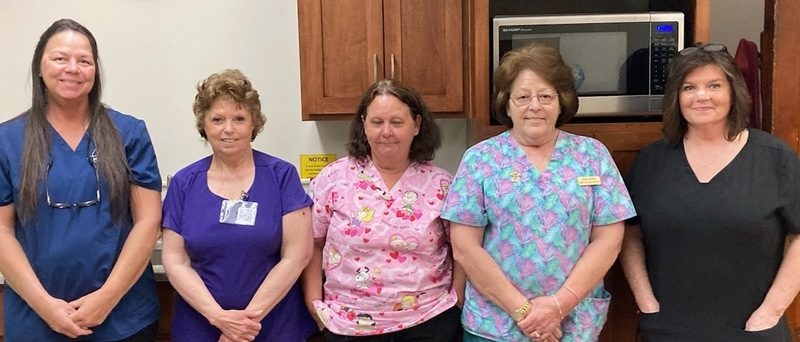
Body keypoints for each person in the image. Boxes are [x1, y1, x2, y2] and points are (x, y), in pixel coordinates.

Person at [440, 43, 636, 342]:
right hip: (496, 326)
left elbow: (608, 240)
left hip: (573, 323)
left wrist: (558, 307)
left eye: (546, 96)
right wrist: (526, 314)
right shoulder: (479, 159)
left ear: (562, 102)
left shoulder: (592, 155)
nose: (535, 105)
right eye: (522, 97)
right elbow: (466, 247)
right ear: (507, 104)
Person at [620, 43, 800, 341]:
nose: (701, 96)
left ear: (734, 92)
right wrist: (646, 302)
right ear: (676, 97)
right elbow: (628, 233)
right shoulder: (652, 161)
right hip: (667, 331)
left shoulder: (774, 158)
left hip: (753, 331)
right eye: (689, 87)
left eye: (714, 85)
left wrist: (771, 311)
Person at [0, 19, 162, 340]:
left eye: (84, 61)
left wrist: (107, 299)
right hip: (36, 320)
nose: (72, 68)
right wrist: (45, 306)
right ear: (39, 67)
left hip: (123, 319)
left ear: (95, 71)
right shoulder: (7, 140)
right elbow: (2, 230)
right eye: (60, 58)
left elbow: (148, 221)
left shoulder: (129, 133)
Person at [161, 69, 317, 341]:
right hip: (202, 325)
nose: (228, 129)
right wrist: (219, 318)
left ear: (254, 124)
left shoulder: (282, 176)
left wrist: (243, 325)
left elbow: (297, 256)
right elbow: (175, 261)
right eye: (218, 119)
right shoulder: (184, 183)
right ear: (204, 125)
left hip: (272, 325)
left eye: (239, 118)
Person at [302, 79, 463, 341]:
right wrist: (314, 304)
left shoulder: (442, 184)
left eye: (397, 122)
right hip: (348, 324)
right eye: (377, 122)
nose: (386, 131)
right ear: (364, 124)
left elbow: (462, 250)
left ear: (417, 125)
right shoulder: (333, 178)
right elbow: (311, 243)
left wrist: (456, 300)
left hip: (428, 322)